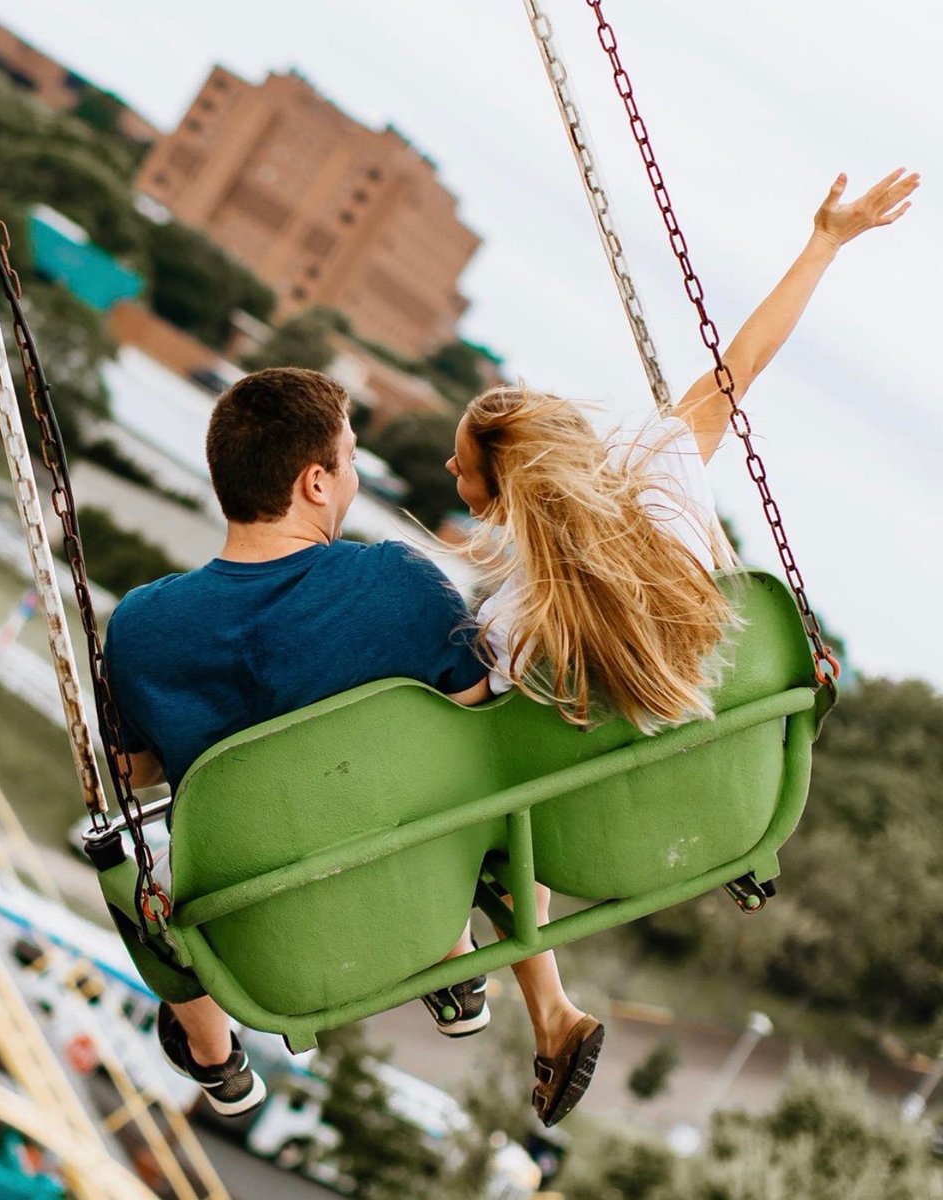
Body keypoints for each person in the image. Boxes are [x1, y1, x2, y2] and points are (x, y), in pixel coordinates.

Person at [104, 366, 597, 1126]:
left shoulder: (140, 627)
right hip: (403, 892)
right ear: (314, 483)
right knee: (479, 782)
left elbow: (132, 775)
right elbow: (474, 735)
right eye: (352, 456)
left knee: (134, 871)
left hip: (257, 944)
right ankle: (451, 961)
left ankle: (214, 1056)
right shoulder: (396, 583)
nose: (356, 474)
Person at [447, 169, 919, 729]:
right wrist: (826, 242)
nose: (451, 465)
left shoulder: (513, 625)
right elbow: (741, 366)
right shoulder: (661, 496)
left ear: (512, 486)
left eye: (464, 464)